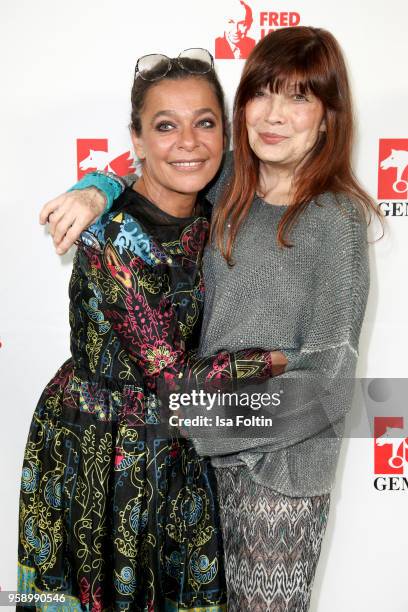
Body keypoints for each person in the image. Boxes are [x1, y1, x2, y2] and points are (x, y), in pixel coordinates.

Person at [38, 27, 384, 611]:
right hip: (191, 457)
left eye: (299, 98)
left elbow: (326, 384)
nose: (274, 115)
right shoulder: (228, 181)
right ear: (241, 105)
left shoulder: (335, 220)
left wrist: (207, 432)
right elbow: (157, 161)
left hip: (272, 476)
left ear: (327, 117)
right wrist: (95, 189)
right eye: (262, 93)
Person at [18, 49, 287, 611]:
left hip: (175, 444)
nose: (188, 141)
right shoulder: (116, 237)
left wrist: (101, 179)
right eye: (165, 126)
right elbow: (171, 381)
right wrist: (279, 359)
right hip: (102, 448)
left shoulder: (215, 204)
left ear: (225, 133)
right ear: (137, 140)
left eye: (205, 122)